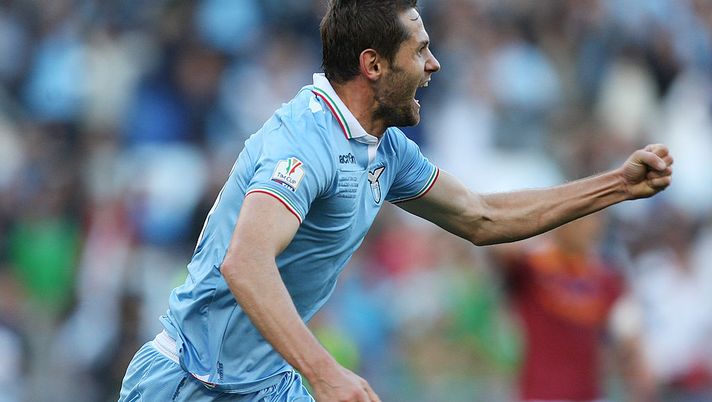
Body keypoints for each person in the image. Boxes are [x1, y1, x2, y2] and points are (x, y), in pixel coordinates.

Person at [118, 1, 673, 401]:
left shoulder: (387, 150)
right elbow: (246, 261)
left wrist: (618, 185)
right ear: (374, 65)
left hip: (269, 386)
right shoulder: (302, 144)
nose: (434, 65)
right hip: (190, 381)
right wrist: (325, 372)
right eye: (422, 51)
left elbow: (482, 217)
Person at [492, 213, 626, 402]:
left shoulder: (605, 277)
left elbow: (625, 336)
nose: (590, 229)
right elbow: (498, 246)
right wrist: (544, 223)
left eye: (595, 221)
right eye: (582, 220)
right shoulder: (534, 265)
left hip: (588, 394)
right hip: (540, 394)